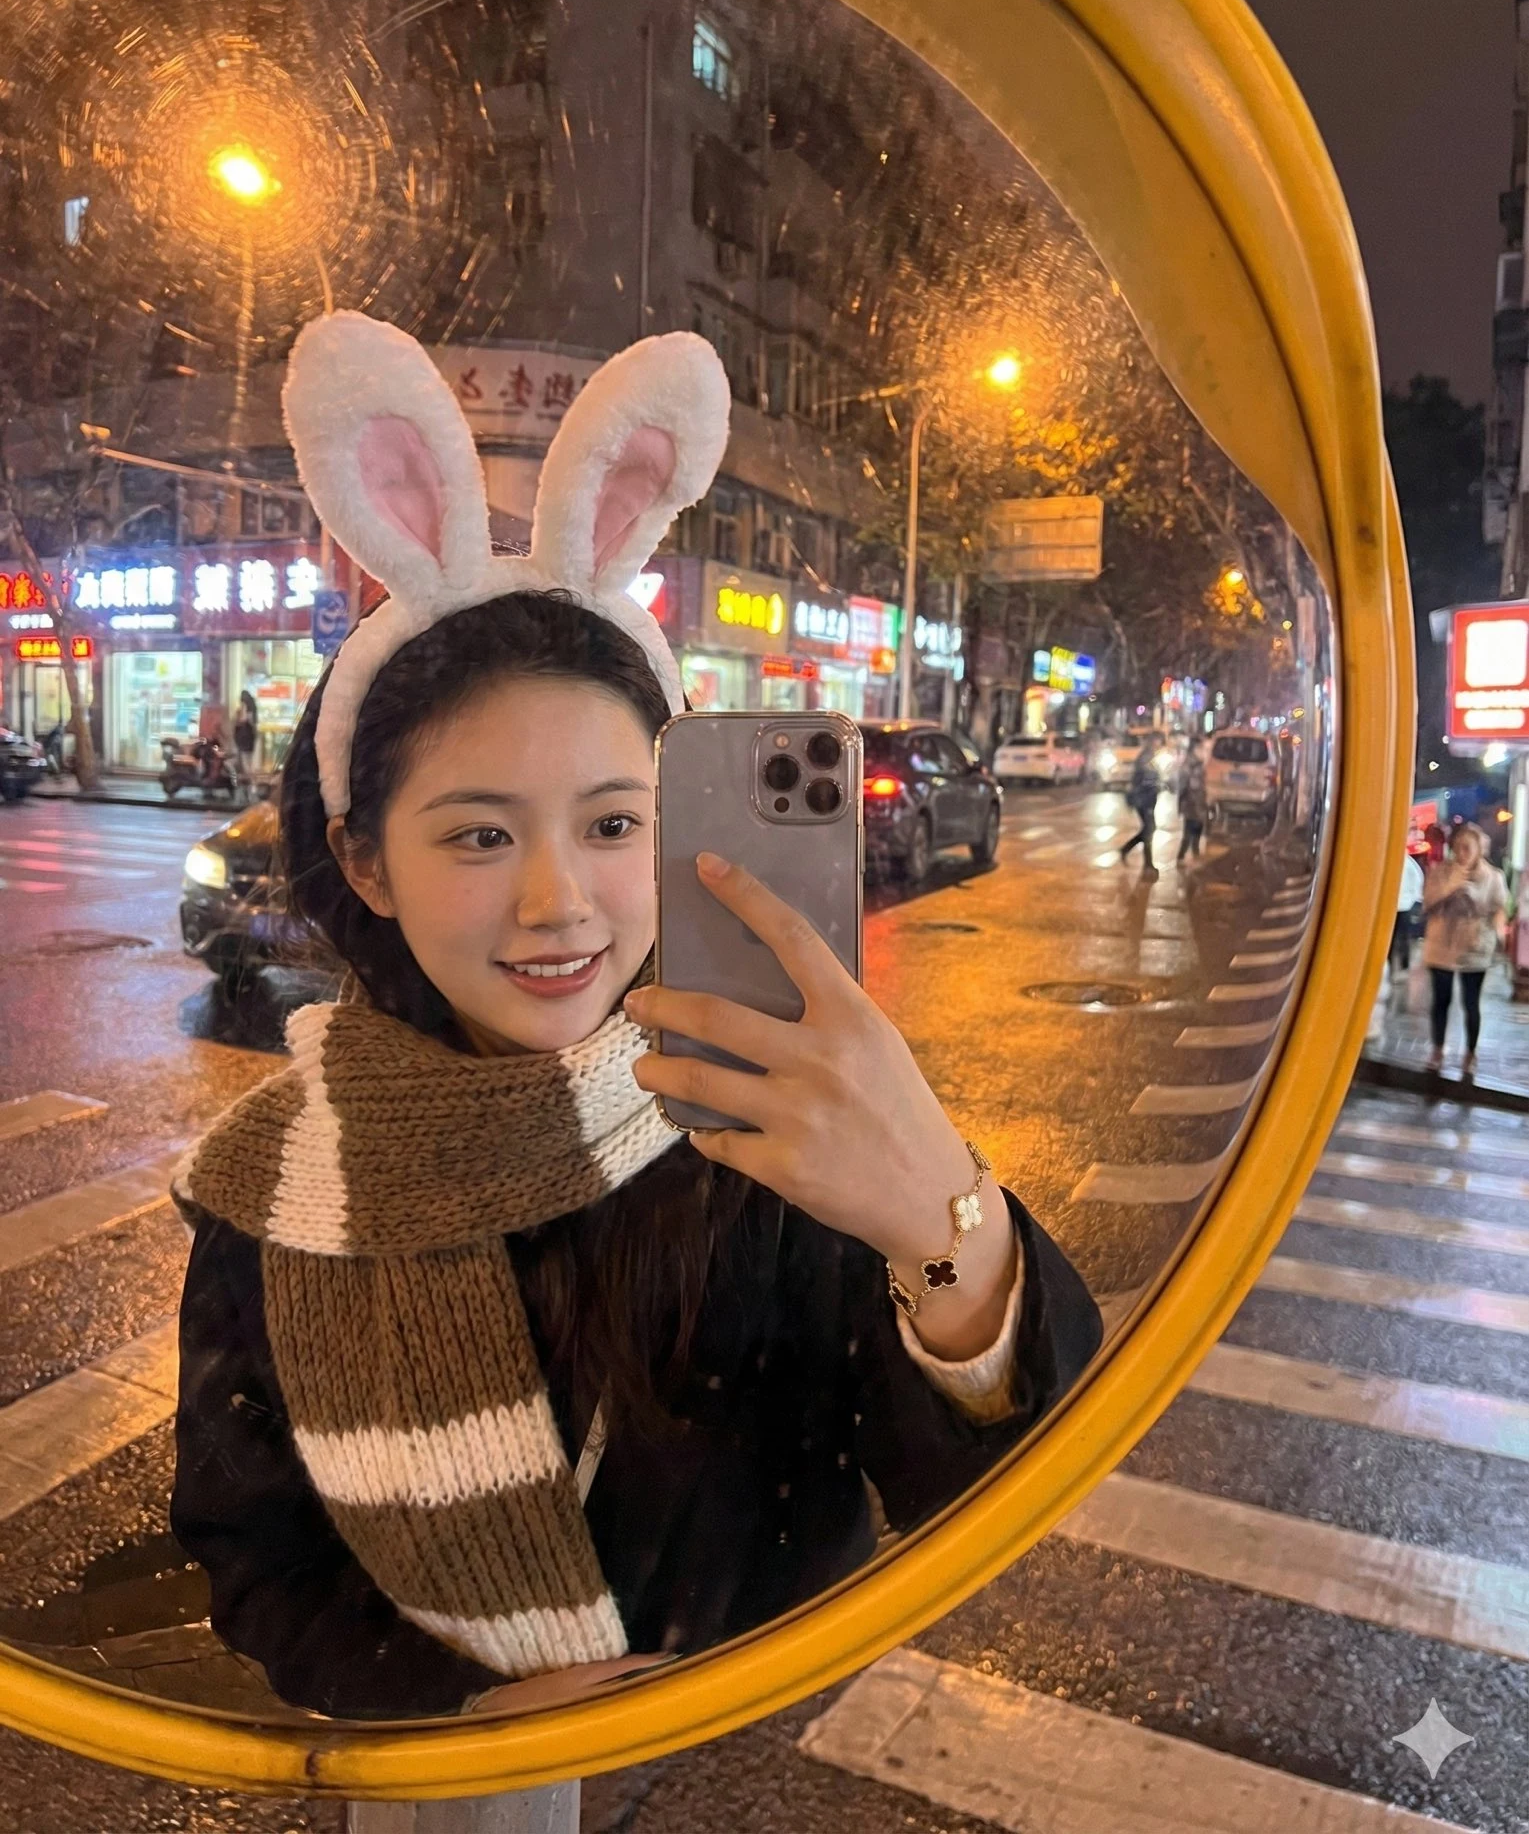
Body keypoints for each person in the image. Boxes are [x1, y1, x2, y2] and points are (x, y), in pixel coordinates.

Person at [169, 313, 1101, 1724]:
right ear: (366, 862)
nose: (559, 905)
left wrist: (942, 1218)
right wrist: (452, 1716)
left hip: (748, 1772)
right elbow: (252, 1560)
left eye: (613, 824)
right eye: (478, 836)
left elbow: (985, 1496)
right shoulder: (278, 1187)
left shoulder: (763, 1111)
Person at [1421, 821, 1508, 1075]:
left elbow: (1499, 908)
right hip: (1442, 944)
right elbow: (1427, 903)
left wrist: (1477, 901)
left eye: (1468, 847)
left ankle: (1470, 1053)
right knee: (1441, 1000)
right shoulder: (1441, 872)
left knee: (1471, 1002)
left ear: (1479, 849)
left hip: (1474, 946)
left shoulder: (1493, 877)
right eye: (1458, 847)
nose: (1462, 853)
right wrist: (1450, 888)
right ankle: (1437, 1049)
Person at [1119, 740, 1160, 872]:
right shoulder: (1145, 760)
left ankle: (1125, 849)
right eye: (1158, 743)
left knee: (1149, 829)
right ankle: (1148, 864)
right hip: (1144, 801)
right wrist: (1156, 784)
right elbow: (1146, 781)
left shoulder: (1148, 759)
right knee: (1149, 830)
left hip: (1147, 800)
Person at [1390, 848, 1425, 976]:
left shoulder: (1408, 863)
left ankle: (1403, 964)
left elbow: (1417, 881)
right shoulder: (1401, 862)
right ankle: (1393, 965)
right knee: (1394, 937)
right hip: (1397, 906)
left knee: (1401, 937)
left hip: (1404, 906)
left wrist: (1413, 899)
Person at [1176, 747, 1208, 862]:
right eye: (1201, 749)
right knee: (1189, 830)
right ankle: (1182, 855)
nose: (1204, 752)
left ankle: (1194, 852)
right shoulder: (1191, 766)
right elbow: (1186, 787)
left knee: (1197, 827)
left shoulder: (1199, 765)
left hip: (1197, 803)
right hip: (1192, 804)